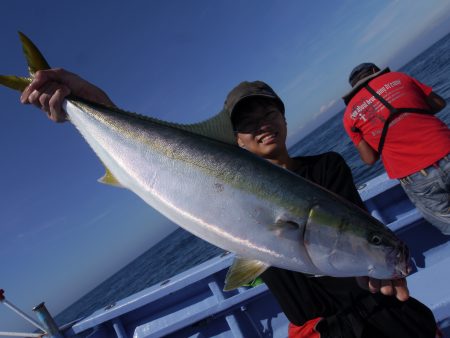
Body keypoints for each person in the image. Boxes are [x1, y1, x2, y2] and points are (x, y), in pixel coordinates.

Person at [21, 72, 438, 337]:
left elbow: (346, 235)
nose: (262, 124)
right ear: (235, 138)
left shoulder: (326, 168)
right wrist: (86, 104)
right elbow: (158, 151)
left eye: (269, 112)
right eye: (246, 122)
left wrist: (373, 264)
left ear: (284, 117)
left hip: (381, 312)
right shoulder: (217, 174)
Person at [342, 63, 450, 235]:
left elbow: (369, 159)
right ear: (374, 71)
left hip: (416, 176)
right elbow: (438, 103)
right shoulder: (399, 78)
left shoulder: (349, 116)